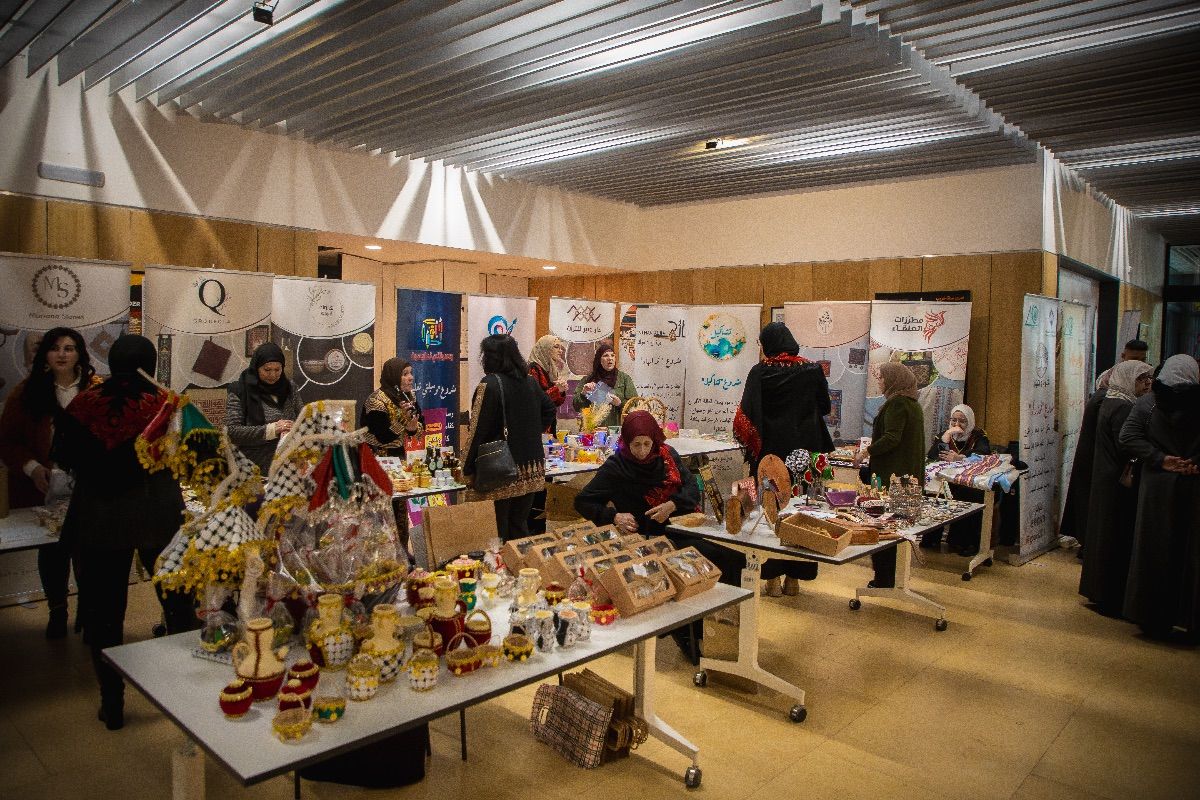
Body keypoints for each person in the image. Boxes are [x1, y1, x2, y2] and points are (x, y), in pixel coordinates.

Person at [51, 335, 196, 730]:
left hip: (100, 517)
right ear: (150, 364)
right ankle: (186, 694)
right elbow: (186, 454)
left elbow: (64, 457)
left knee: (105, 613)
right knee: (177, 605)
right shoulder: (166, 403)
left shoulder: (85, 403)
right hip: (157, 515)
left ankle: (111, 703)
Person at [574, 411, 743, 661]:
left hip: (676, 528)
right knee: (695, 560)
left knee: (730, 558)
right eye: (636, 445)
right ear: (626, 442)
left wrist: (672, 505)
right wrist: (614, 516)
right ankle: (685, 629)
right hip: (644, 538)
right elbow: (583, 501)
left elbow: (691, 489)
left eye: (647, 443)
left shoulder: (667, 456)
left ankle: (712, 628)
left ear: (655, 440)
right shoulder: (616, 467)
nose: (642, 451)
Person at [0, 327, 98, 638]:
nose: (62, 354)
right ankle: (58, 609)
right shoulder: (26, 393)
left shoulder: (95, 391)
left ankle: (87, 610)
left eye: (69, 348)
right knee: (53, 552)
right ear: (45, 354)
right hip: (44, 487)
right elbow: (7, 441)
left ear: (80, 354)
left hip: (88, 486)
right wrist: (31, 468)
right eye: (55, 348)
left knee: (87, 551)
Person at [733, 322, 832, 596]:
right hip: (805, 455)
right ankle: (794, 578)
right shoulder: (812, 370)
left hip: (771, 455)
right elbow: (825, 407)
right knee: (803, 513)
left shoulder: (759, 372)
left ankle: (772, 578)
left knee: (770, 512)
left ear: (767, 344)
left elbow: (745, 417)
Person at [1120, 355, 1200, 641]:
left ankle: (1150, 616)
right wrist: (1193, 463)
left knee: (1153, 548)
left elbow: (1128, 437)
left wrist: (1160, 459)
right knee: (1190, 553)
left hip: (1157, 487)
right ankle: (1189, 617)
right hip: (1193, 486)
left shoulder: (1149, 403)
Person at [1078, 359, 1155, 617]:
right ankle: (1108, 595)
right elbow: (1125, 446)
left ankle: (1099, 591)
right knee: (1112, 537)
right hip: (1115, 483)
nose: (1147, 384)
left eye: (1148, 378)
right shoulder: (1122, 407)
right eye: (1141, 378)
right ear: (1127, 379)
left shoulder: (1111, 401)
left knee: (1102, 535)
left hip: (1105, 478)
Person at [463, 334, 556, 539]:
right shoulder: (530, 382)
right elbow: (549, 408)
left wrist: (466, 467)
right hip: (532, 466)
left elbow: (478, 430)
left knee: (498, 529)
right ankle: (522, 560)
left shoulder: (489, 384)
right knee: (519, 524)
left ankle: (502, 560)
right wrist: (531, 432)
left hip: (500, 467)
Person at [854, 363, 926, 588]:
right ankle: (894, 577)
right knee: (899, 528)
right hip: (907, 477)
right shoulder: (913, 405)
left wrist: (866, 452)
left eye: (882, 378)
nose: (879, 381)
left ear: (894, 380)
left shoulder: (897, 404)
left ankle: (883, 578)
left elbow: (892, 438)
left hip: (891, 477)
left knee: (884, 527)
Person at [925, 403, 992, 555]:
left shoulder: (978, 436)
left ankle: (965, 543)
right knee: (934, 492)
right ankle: (931, 537)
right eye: (953, 420)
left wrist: (960, 458)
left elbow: (984, 454)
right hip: (947, 479)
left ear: (970, 422)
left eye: (962, 421)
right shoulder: (945, 435)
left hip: (968, 480)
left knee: (969, 494)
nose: (957, 424)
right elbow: (932, 456)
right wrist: (946, 437)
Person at [226, 342, 302, 475]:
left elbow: (303, 418)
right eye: (267, 370)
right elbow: (232, 431)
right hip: (253, 463)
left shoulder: (290, 388)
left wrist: (294, 428)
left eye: (277, 370)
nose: (273, 375)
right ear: (256, 368)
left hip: (288, 459)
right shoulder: (240, 390)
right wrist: (272, 429)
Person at [1059, 372, 1111, 555]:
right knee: (1088, 506)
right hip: (1093, 462)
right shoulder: (1103, 400)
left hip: (1089, 460)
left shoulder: (1099, 397)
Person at [361, 358, 423, 456]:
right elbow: (383, 437)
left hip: (398, 451)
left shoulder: (409, 396)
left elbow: (420, 423)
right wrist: (402, 420)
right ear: (393, 377)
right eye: (405, 374)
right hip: (376, 454)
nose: (411, 377)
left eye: (411, 373)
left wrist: (413, 429)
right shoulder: (376, 401)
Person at [572, 343, 637, 428]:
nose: (610, 358)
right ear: (599, 359)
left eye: (612, 355)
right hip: (592, 430)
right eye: (605, 355)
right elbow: (576, 407)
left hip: (616, 430)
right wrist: (583, 394)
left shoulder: (624, 379)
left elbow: (635, 405)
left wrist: (620, 403)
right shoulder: (588, 380)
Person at [528, 335, 568, 432]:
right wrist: (556, 389)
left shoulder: (550, 369)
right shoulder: (533, 369)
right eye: (556, 347)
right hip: (536, 424)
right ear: (545, 348)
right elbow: (535, 401)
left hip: (547, 422)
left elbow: (555, 403)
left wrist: (561, 391)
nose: (560, 351)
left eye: (561, 348)